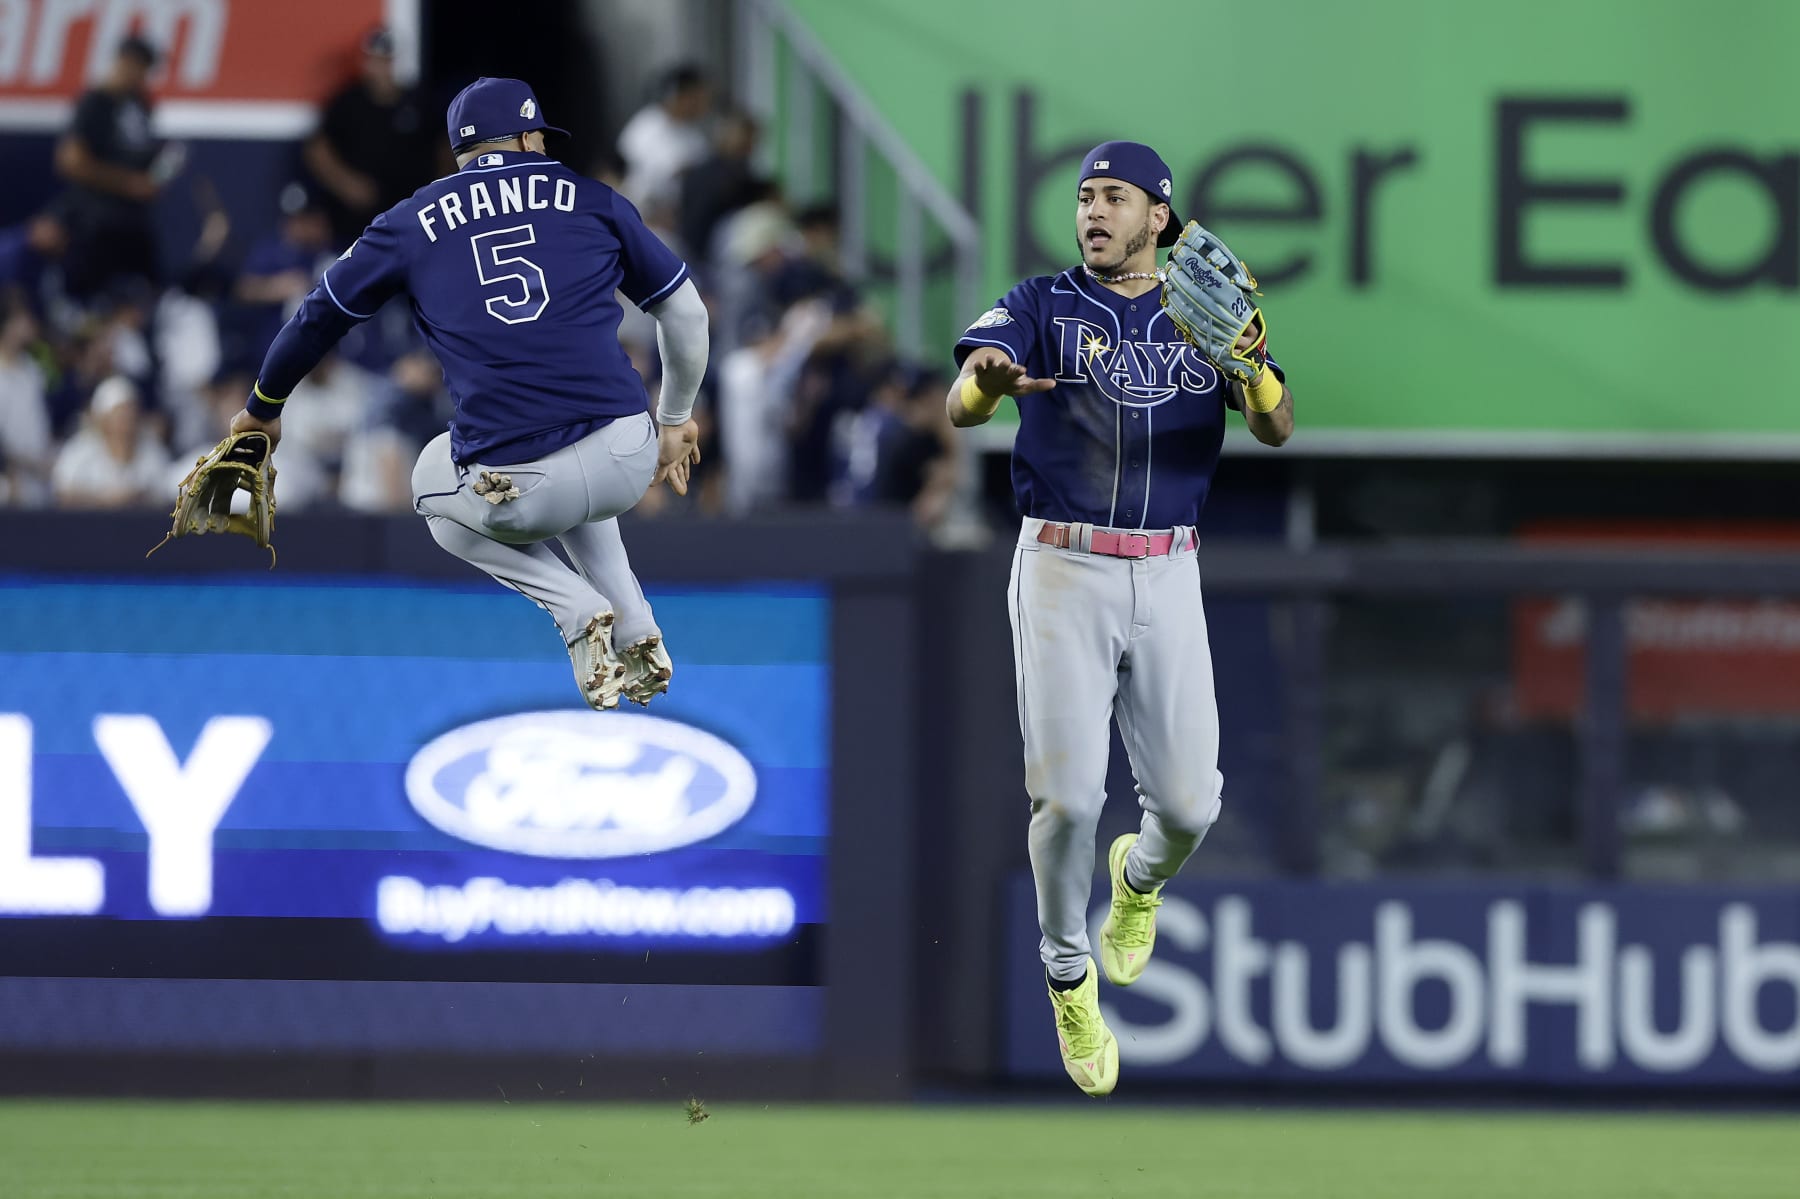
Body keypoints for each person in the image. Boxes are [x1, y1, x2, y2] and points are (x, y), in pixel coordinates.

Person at [946, 141, 1295, 1096]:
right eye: (1085, 196)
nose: (1093, 211)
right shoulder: (1041, 303)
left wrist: (1255, 365)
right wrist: (984, 378)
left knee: (1190, 804)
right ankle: (1067, 971)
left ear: (1158, 216)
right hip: (1061, 562)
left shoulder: (1201, 314)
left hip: (1171, 565)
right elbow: (963, 400)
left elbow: (1277, 426)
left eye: (1115, 197)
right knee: (1064, 798)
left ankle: (1137, 881)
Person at [233, 77, 706, 709]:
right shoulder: (592, 197)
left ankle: (576, 611)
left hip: (524, 484)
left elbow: (319, 314)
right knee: (582, 465)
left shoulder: (409, 221)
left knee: (431, 482)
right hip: (628, 453)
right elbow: (688, 314)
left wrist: (263, 407)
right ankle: (635, 618)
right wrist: (675, 417)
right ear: (527, 135)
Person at [54, 35, 166, 300]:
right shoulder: (95, 102)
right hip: (96, 223)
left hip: (133, 223)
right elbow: (70, 162)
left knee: (149, 297)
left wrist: (157, 175)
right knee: (90, 301)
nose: (140, 75)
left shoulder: (140, 104)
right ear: (121, 62)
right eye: (135, 66)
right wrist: (129, 183)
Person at [304, 28, 439, 247]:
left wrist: (436, 191)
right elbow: (317, 149)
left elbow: (442, 148)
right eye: (376, 61)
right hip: (356, 223)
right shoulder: (348, 102)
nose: (382, 68)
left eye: (387, 61)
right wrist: (346, 183)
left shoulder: (418, 104)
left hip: (412, 218)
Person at [51, 375, 171, 508]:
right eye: (120, 414)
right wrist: (102, 499)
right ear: (104, 420)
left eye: (131, 413)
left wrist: (138, 497)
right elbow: (62, 493)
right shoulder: (79, 451)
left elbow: (166, 495)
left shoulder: (154, 452)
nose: (127, 420)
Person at [615, 64, 712, 214]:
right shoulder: (646, 126)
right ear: (683, 96)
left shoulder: (696, 138)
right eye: (698, 97)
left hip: (680, 218)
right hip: (639, 214)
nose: (704, 104)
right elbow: (626, 174)